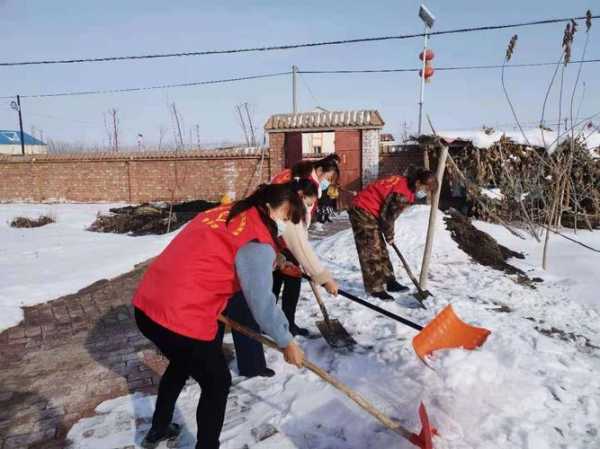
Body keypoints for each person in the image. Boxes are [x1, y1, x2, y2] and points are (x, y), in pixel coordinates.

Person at [132, 183, 306, 449]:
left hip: (149, 304)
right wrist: (286, 341)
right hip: (180, 316)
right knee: (217, 382)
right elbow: (261, 302)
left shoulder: (229, 212)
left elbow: (228, 252)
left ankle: (159, 427)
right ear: (270, 208)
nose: (284, 224)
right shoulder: (257, 241)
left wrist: (277, 260)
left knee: (182, 363)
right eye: (284, 216)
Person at [271, 154, 340, 336]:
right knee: (292, 277)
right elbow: (298, 233)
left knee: (276, 276)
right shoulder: (306, 184)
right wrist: (324, 279)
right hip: (284, 237)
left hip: (278, 237)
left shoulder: (294, 177)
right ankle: (287, 324)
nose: (327, 182)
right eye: (328, 177)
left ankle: (268, 320)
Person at [348, 168, 438, 301]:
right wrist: (389, 234)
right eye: (424, 189)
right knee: (371, 249)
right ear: (418, 182)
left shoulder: (404, 182)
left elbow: (385, 212)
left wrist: (387, 234)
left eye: (427, 191)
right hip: (362, 209)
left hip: (372, 210)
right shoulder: (402, 194)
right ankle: (375, 288)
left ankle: (389, 280)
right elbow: (387, 217)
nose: (424, 193)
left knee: (381, 248)